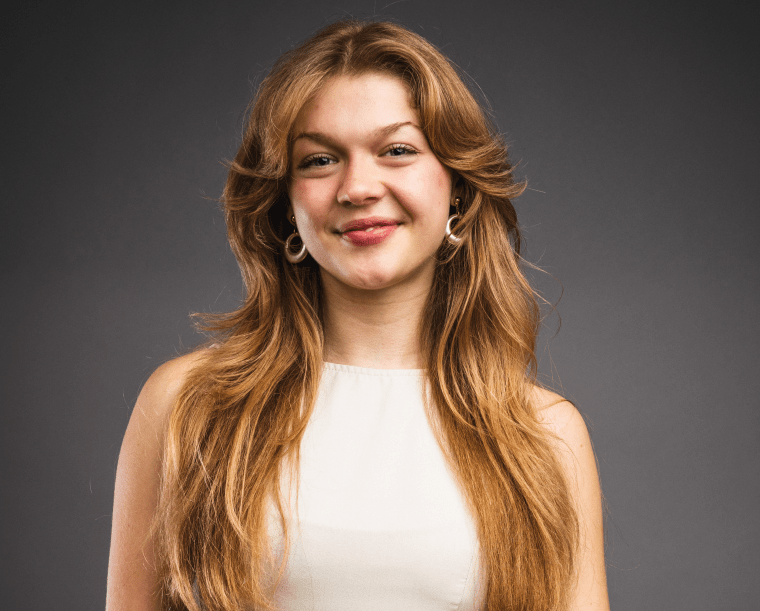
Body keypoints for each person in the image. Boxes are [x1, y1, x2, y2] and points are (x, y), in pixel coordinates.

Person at [106, 19, 610, 611]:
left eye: (397, 151)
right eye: (320, 160)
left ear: (457, 187)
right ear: (286, 204)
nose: (358, 187)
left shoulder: (545, 433)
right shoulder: (187, 405)